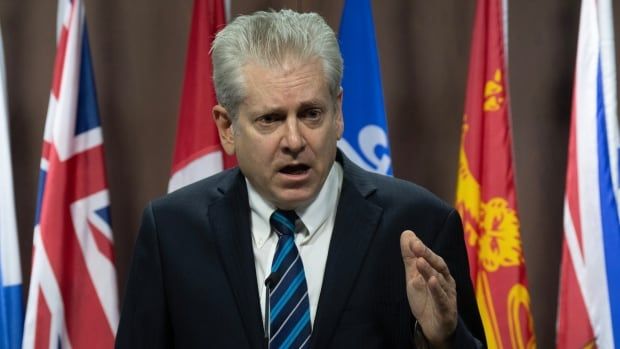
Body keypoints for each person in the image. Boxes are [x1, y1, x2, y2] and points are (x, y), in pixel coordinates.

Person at [116, 9, 485, 349]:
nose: (294, 141)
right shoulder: (171, 233)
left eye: (310, 114)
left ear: (338, 113)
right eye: (270, 119)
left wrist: (445, 340)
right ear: (227, 128)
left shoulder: (421, 225)